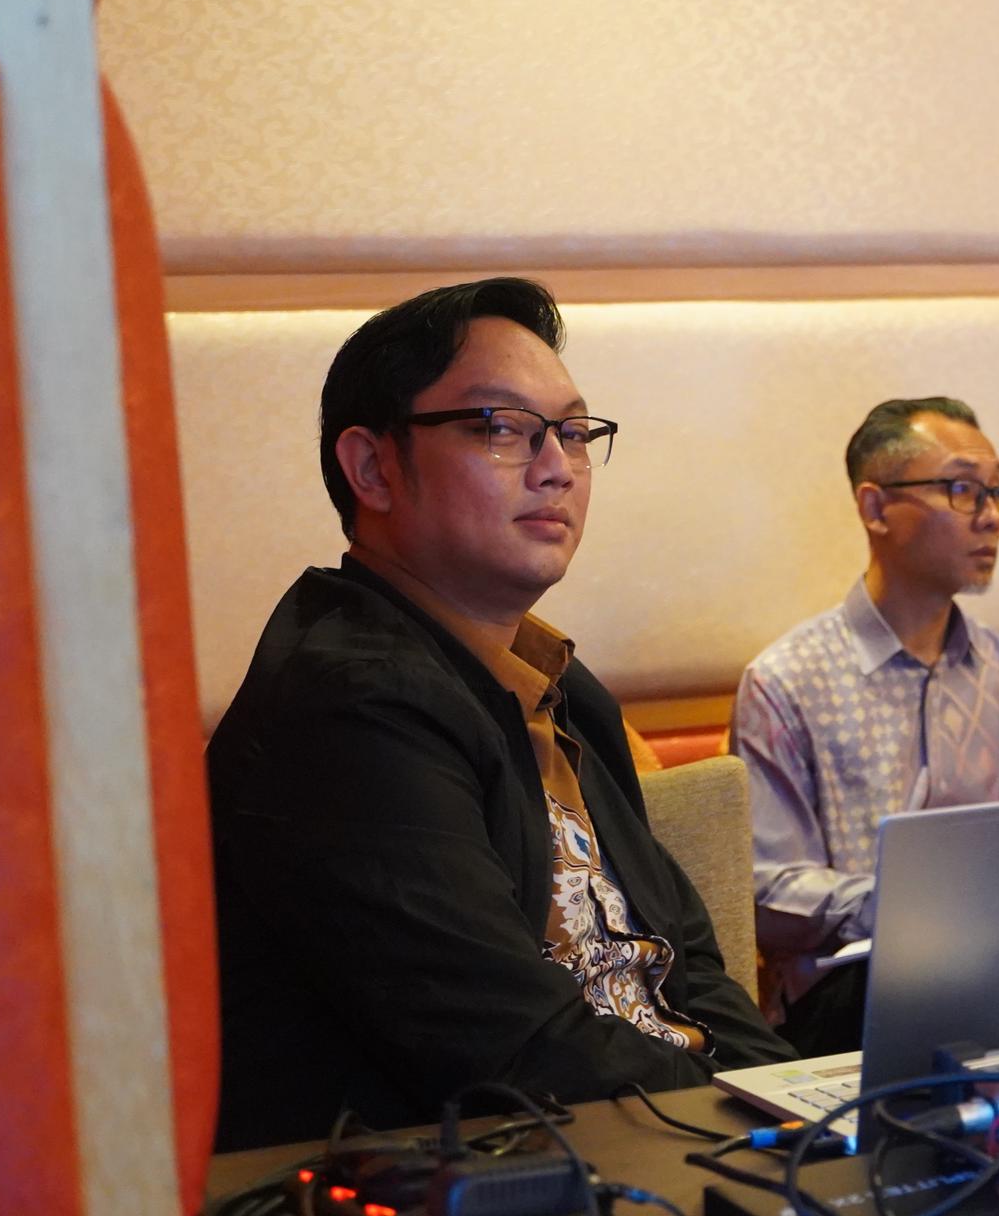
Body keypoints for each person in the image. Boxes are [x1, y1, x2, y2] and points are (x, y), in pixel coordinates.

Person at [210, 278, 791, 1149]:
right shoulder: (345, 706)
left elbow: (689, 966)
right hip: (493, 1184)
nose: (557, 466)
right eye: (502, 427)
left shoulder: (558, 684)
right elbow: (513, 1051)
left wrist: (801, 1107)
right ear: (372, 468)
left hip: (661, 1140)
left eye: (574, 433)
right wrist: (754, 1124)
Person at [733, 398, 999, 1054]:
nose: (992, 516)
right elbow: (764, 892)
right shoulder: (786, 681)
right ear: (876, 507)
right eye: (963, 489)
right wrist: (912, 907)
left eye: (997, 492)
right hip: (852, 997)